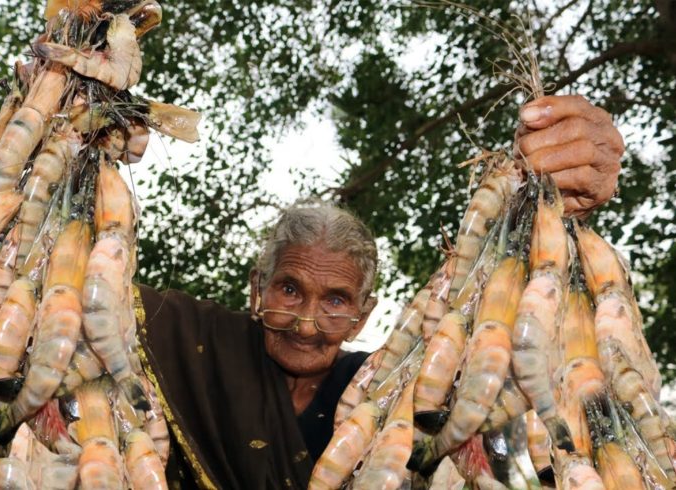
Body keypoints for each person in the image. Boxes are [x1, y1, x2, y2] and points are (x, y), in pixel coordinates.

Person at [134, 94, 624, 489]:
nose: (307, 322)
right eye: (288, 289)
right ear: (256, 289)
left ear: (364, 316)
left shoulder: (391, 391)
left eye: (335, 300)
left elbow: (519, 463)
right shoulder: (189, 342)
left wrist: (554, 218)